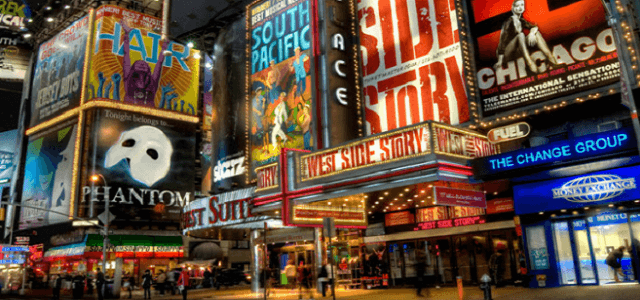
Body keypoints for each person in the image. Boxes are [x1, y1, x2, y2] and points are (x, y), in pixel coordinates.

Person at [494, 0, 559, 74]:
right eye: (517, 6)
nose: (520, 7)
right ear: (513, 8)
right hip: (505, 53)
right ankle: (529, 64)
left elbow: (534, 27)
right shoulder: (509, 22)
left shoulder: (521, 21)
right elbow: (502, 43)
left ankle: (551, 60)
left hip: (517, 50)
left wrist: (532, 33)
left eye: (522, 5)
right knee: (520, 35)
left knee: (536, 33)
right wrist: (499, 61)